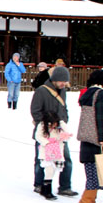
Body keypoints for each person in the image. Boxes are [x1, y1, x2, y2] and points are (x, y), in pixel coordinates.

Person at [30, 66, 78, 196]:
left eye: (65, 81)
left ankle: (65, 186)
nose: (64, 84)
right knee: (42, 159)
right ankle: (39, 184)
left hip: (60, 132)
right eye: (62, 81)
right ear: (55, 79)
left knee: (65, 158)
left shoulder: (63, 91)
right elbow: (35, 110)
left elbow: (64, 108)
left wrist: (64, 121)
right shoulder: (41, 91)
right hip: (45, 131)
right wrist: (47, 125)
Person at [76, 70, 103, 203]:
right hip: (96, 138)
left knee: (92, 170)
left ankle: (89, 200)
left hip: (86, 137)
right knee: (97, 171)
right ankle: (87, 200)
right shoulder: (100, 94)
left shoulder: (87, 94)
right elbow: (100, 117)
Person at [34, 111, 71, 200]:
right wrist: (47, 143)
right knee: (49, 170)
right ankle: (47, 190)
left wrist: (61, 125)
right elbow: (38, 136)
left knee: (54, 169)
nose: (53, 125)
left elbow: (67, 134)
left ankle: (44, 188)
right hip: (46, 151)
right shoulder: (42, 125)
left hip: (57, 151)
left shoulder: (60, 126)